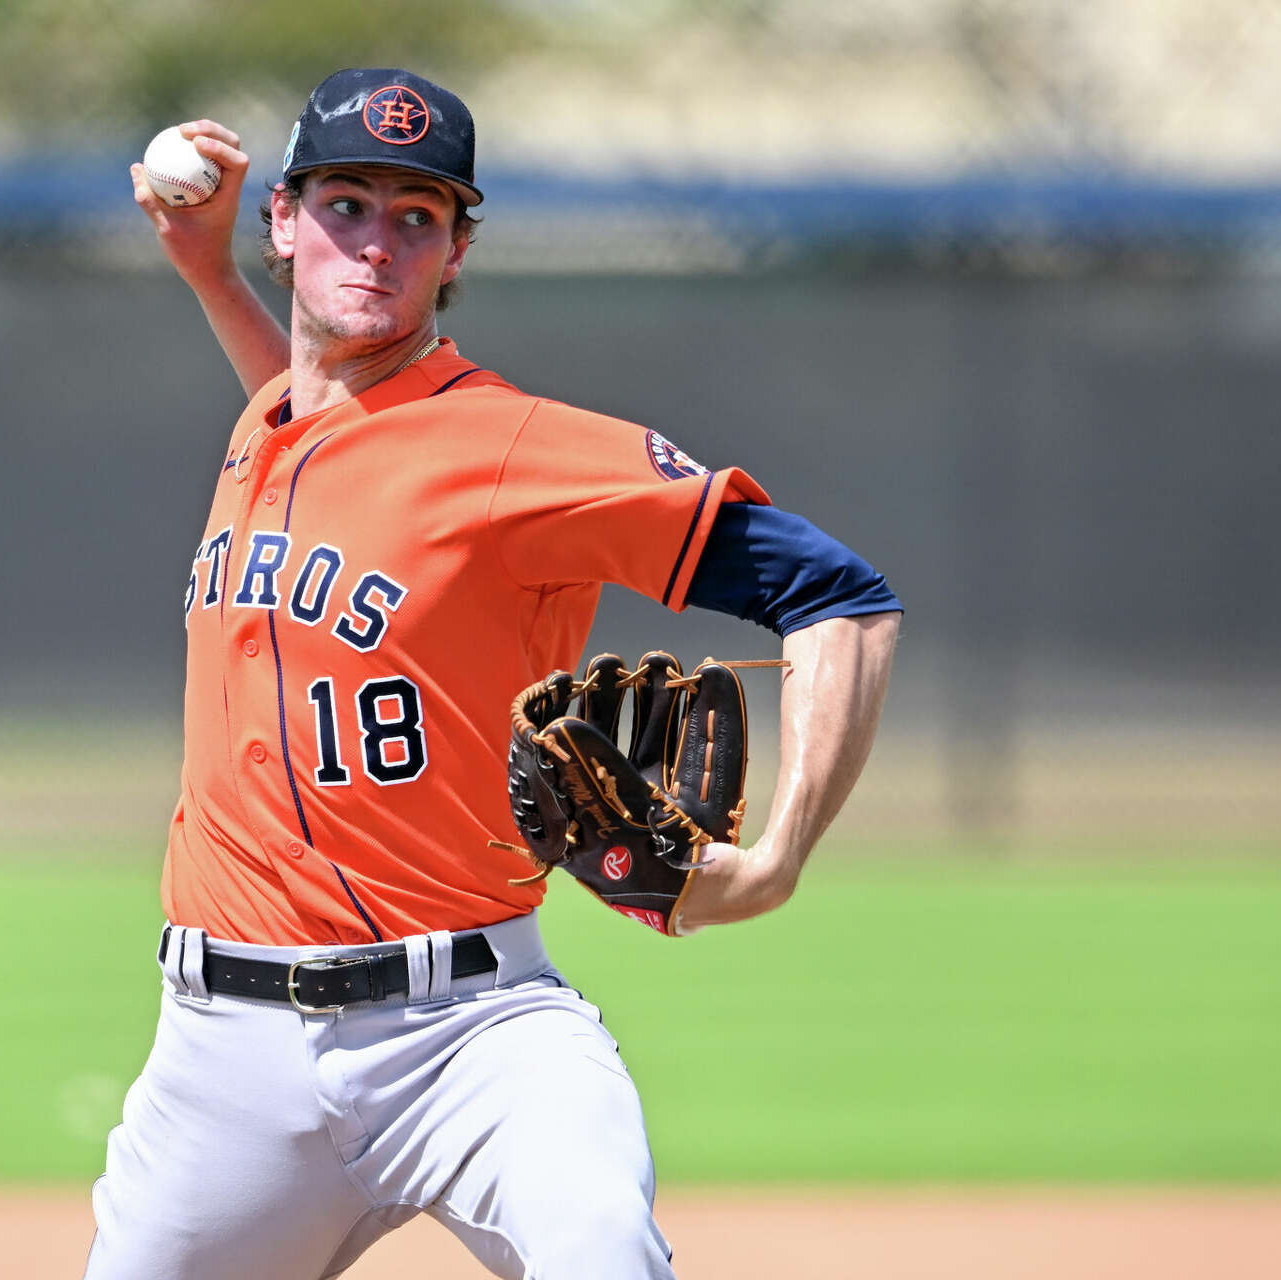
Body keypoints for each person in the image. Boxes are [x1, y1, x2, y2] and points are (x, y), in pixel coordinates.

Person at [90, 68, 902, 1280]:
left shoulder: (516, 446)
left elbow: (839, 593)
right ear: (283, 220)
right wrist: (205, 274)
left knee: (603, 1252)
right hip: (222, 1057)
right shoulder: (273, 428)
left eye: (417, 216)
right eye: (346, 203)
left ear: (457, 246)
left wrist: (778, 856)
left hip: (468, 1029)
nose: (376, 243)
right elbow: (319, 416)